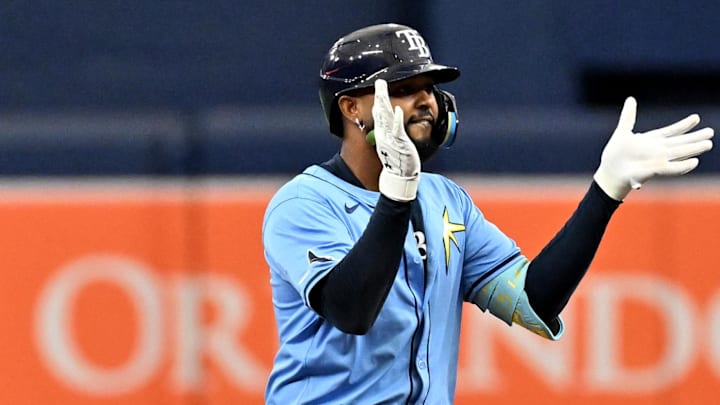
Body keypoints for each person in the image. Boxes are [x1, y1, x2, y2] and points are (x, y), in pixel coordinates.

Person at [261, 23, 714, 404]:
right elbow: (351, 310)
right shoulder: (302, 204)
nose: (425, 101)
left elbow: (534, 301)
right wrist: (396, 193)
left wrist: (604, 191)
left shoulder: (445, 199)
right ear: (351, 107)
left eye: (428, 88)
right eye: (401, 89)